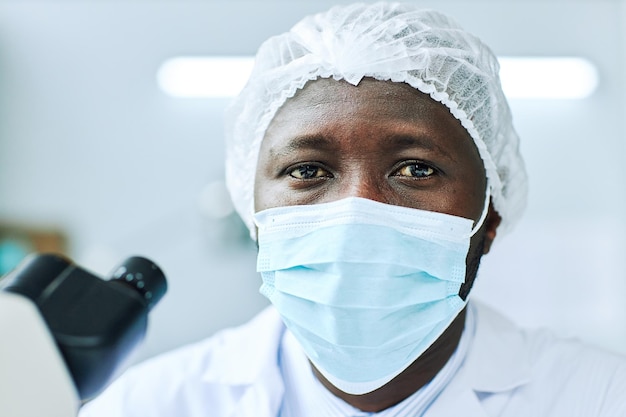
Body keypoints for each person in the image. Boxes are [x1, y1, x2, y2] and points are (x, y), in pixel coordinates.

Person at [80, 3, 626, 416]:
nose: (357, 213)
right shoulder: (148, 405)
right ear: (253, 215)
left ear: (490, 218)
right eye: (308, 171)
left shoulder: (598, 397)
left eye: (416, 169)